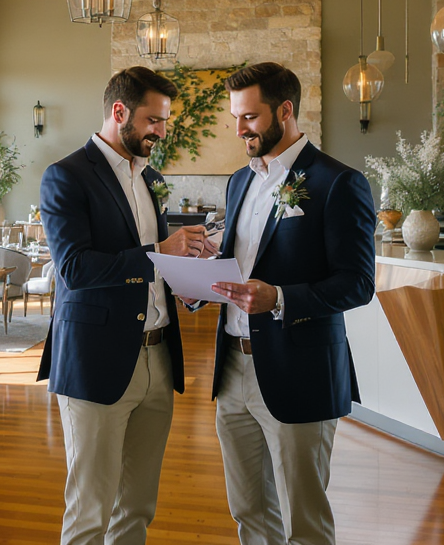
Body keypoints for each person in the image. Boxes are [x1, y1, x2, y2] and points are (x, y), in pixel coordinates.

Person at [194, 62, 375, 545]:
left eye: (249, 118)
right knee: (249, 509)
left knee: (303, 521)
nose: (239, 130)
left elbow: (358, 283)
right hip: (232, 369)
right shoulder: (239, 181)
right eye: (235, 118)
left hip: (301, 371)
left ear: (286, 111)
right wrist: (198, 277)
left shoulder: (339, 182)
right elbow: (239, 262)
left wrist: (279, 298)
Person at [38, 66, 217, 545]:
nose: (162, 130)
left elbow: (154, 269)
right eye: (154, 120)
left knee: (137, 506)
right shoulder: (66, 177)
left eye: (165, 120)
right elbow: (75, 269)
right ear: (120, 112)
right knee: (90, 510)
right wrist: (160, 253)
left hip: (159, 358)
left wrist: (191, 275)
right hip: (96, 361)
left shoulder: (151, 177)